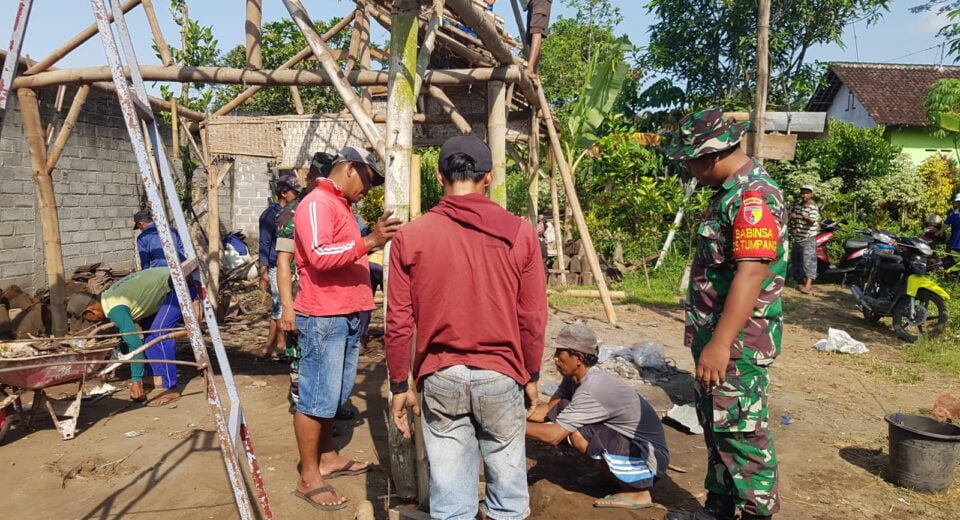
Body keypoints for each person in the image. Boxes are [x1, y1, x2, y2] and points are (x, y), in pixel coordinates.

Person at [387, 136, 547, 520]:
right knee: (508, 497)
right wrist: (532, 373)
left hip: (440, 377)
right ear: (488, 177)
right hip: (501, 374)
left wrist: (398, 385)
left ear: (441, 177)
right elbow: (533, 316)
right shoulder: (521, 233)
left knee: (451, 501)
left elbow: (397, 321)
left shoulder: (410, 236)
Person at [664, 108, 784, 520]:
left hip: (737, 346)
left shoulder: (754, 196)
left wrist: (720, 343)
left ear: (711, 154)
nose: (691, 170)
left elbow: (751, 274)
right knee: (717, 433)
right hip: (717, 342)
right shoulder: (729, 193)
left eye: (691, 161)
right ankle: (718, 510)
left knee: (742, 439)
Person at [291, 146, 401, 511]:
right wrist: (370, 242)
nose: (368, 189)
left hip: (345, 313)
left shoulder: (339, 206)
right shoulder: (316, 204)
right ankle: (309, 476)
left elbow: (343, 251)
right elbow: (320, 256)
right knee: (316, 397)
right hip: (324, 316)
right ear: (352, 169)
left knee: (333, 397)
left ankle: (327, 456)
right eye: (368, 180)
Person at [526, 324, 669, 510]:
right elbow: (546, 412)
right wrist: (510, 413)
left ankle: (638, 491)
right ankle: (612, 475)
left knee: (575, 434)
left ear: (578, 357)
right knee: (563, 408)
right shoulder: (574, 377)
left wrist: (509, 426)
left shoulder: (592, 388)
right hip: (634, 446)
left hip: (649, 460)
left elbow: (553, 436)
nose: (554, 358)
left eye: (560, 353)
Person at [80, 267, 197, 406]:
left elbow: (134, 344)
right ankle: (159, 376)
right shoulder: (108, 297)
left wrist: (137, 380)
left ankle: (171, 388)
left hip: (178, 285)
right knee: (148, 332)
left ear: (91, 311)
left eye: (87, 318)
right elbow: (126, 339)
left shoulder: (115, 309)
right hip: (169, 283)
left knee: (159, 332)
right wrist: (110, 364)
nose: (89, 322)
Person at [276, 153, 333, 413]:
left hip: (329, 304)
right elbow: (283, 263)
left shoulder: (335, 208)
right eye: (317, 178)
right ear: (308, 178)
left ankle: (325, 409)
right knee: (302, 361)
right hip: (302, 301)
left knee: (326, 360)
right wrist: (287, 307)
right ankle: (306, 411)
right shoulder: (292, 213)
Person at [257, 175, 301, 359]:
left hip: (289, 266)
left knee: (282, 305)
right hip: (277, 266)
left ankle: (271, 347)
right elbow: (264, 243)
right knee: (280, 305)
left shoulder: (293, 211)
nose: (296, 194)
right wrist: (264, 270)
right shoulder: (270, 215)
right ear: (283, 193)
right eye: (293, 191)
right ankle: (278, 345)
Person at [788, 184, 819, 294]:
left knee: (809, 261)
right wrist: (792, 217)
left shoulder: (813, 206)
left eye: (807, 193)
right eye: (803, 192)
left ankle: (808, 285)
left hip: (808, 237)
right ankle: (796, 280)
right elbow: (792, 218)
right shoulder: (798, 206)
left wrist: (806, 218)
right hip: (798, 237)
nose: (804, 195)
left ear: (811, 195)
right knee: (795, 260)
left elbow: (813, 220)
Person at [525, 0, 554, 78]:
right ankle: (534, 72)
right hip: (531, 2)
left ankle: (530, 68)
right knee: (530, 36)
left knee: (537, 30)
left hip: (540, 2)